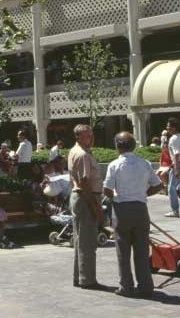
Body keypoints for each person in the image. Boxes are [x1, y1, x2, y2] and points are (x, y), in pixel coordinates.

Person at [103, 132, 163, 298]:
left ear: (117, 146)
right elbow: (158, 185)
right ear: (133, 146)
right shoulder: (144, 163)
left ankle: (126, 286)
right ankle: (145, 286)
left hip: (122, 209)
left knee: (123, 251)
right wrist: (143, 193)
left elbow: (107, 189)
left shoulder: (114, 165)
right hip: (140, 208)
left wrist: (117, 196)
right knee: (142, 251)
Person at [68, 123, 103, 289]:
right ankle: (87, 279)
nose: (92, 137)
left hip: (81, 197)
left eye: (92, 134)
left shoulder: (78, 151)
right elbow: (84, 182)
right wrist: (95, 206)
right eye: (88, 135)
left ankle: (80, 276)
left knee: (80, 240)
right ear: (79, 137)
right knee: (87, 242)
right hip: (85, 198)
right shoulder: (82, 155)